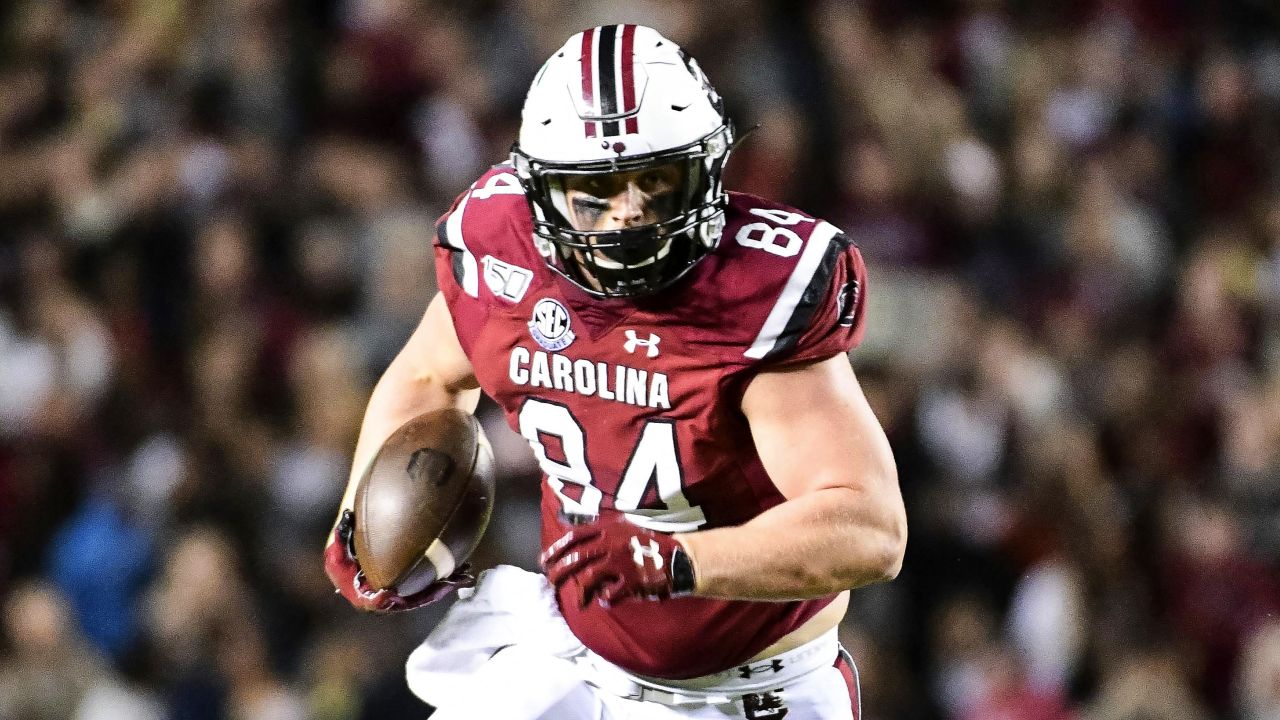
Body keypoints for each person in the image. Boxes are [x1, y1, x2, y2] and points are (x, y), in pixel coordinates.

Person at [324, 24, 906, 720]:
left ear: (705, 174)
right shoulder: (502, 253)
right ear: (540, 193)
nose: (630, 215)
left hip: (744, 693)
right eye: (597, 190)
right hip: (570, 656)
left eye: (655, 182)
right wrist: (362, 519)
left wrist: (679, 560)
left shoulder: (753, 294)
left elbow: (870, 528)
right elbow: (427, 378)